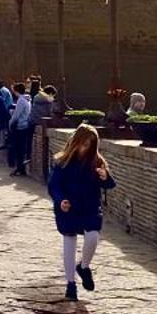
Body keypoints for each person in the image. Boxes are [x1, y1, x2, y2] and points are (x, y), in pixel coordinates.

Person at [48, 124, 112, 302]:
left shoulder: (97, 162)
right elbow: (54, 185)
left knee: (92, 237)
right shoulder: (62, 162)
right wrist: (61, 201)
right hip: (68, 206)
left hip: (90, 206)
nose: (85, 148)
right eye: (83, 143)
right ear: (76, 142)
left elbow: (109, 185)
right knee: (69, 242)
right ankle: (70, 283)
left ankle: (84, 267)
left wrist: (105, 177)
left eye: (90, 144)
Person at [7, 81, 34, 175]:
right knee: (22, 148)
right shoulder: (27, 99)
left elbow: (16, 115)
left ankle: (19, 168)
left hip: (20, 126)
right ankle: (21, 168)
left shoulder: (21, 100)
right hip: (26, 125)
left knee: (19, 149)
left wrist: (10, 123)